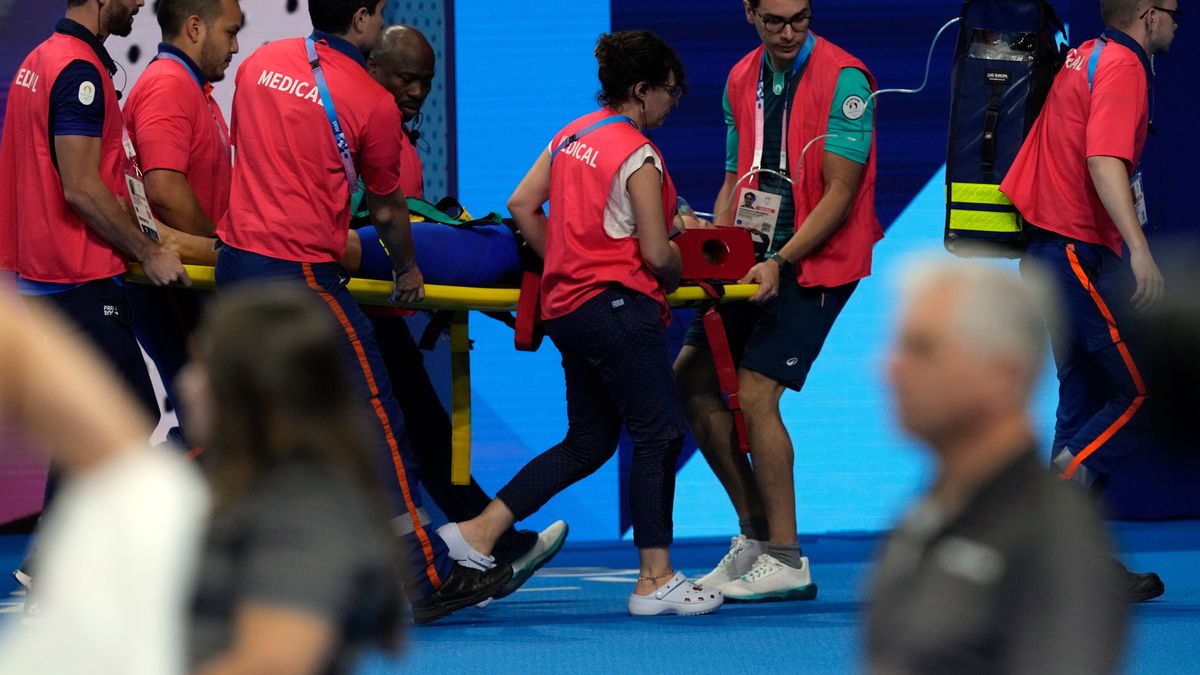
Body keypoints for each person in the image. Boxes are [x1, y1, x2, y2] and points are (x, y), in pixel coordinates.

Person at [215, 0, 510, 623]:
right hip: (299, 274)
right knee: (377, 418)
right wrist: (406, 269)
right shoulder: (371, 105)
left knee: (233, 429)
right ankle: (426, 578)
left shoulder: (259, 64)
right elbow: (386, 211)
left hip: (234, 266)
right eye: (379, 11)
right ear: (363, 18)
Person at [443, 30, 723, 617]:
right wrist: (682, 265)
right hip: (619, 310)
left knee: (588, 442)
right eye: (670, 93)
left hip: (567, 310)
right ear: (641, 90)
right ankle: (655, 578)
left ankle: (479, 532)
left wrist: (566, 263)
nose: (673, 105)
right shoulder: (639, 154)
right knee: (660, 434)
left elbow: (521, 204)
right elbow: (654, 253)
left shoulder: (571, 135)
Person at [679, 0, 882, 601]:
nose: (789, 32)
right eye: (774, 20)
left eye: (800, 18)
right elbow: (732, 174)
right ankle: (757, 540)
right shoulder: (740, 78)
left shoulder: (848, 81)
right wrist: (716, 249)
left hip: (815, 262)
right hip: (750, 260)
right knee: (691, 379)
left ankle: (789, 558)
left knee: (756, 390)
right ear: (749, 13)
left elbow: (841, 192)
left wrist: (780, 260)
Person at [359, 24, 568, 592]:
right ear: (374, 66)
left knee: (425, 435)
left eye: (426, 81)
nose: (417, 91)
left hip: (385, 314)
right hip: (351, 310)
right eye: (406, 78)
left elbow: (413, 224)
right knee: (411, 437)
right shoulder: (360, 122)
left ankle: (486, 544)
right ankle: (476, 548)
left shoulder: (400, 135)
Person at [0, 0, 188, 599]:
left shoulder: (41, 59)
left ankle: (54, 562)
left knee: (100, 415)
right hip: (74, 273)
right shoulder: (78, 72)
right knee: (129, 410)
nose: (138, 4)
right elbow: (81, 188)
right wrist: (149, 249)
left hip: (47, 273)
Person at [867, 260, 1127, 675]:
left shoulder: (1054, 536)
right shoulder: (923, 516)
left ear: (1003, 373)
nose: (888, 369)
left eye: (921, 348)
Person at [999, 0, 1177, 601]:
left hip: (1049, 252)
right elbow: (1104, 159)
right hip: (1074, 252)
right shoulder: (1123, 65)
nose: (1180, 23)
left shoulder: (1083, 55)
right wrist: (1140, 249)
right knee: (1147, 390)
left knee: (1083, 400)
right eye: (1175, 11)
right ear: (1148, 14)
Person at [183, 286, 404, 675]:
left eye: (203, 366)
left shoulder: (307, 509)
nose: (187, 383)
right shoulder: (250, 492)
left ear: (247, 389)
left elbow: (275, 663)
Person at [0, 290, 208, 675]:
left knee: (133, 425)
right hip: (80, 280)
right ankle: (44, 569)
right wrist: (147, 250)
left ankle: (45, 567)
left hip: (82, 280)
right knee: (127, 445)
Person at [122, 0, 242, 442]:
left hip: (189, 281)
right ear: (195, 27)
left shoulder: (189, 87)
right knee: (215, 428)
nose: (235, 46)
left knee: (220, 424)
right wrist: (221, 251)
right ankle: (134, 506)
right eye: (229, 33)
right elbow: (166, 195)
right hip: (171, 286)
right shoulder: (168, 85)